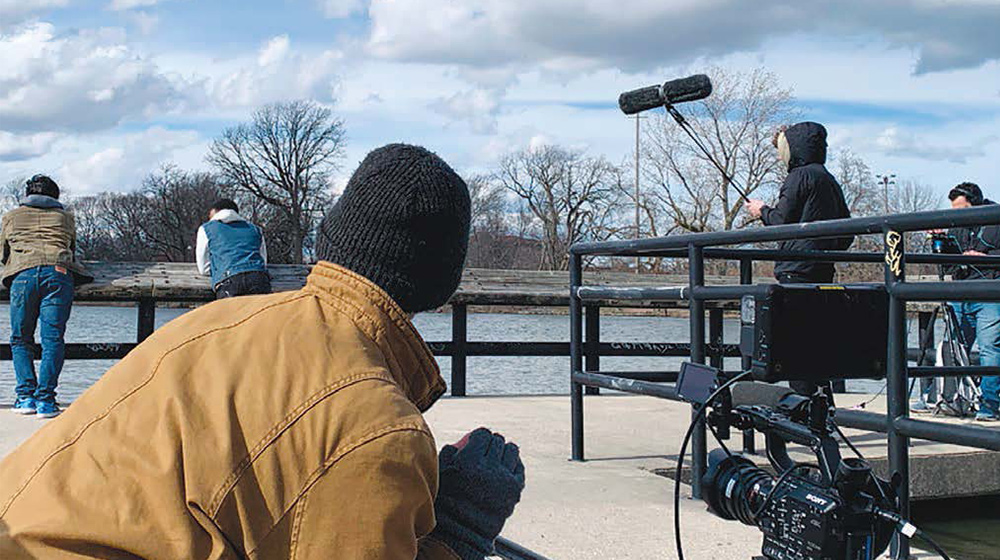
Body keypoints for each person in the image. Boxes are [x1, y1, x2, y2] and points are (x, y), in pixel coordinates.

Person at [0, 144, 525, 559]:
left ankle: (33, 393)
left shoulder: (211, 322)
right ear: (443, 286)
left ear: (330, 239)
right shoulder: (377, 428)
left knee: (29, 341)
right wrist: (457, 533)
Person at [745, 122, 853, 398]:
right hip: (821, 270)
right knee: (816, 344)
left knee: (795, 346)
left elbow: (781, 219)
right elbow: (846, 231)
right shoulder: (828, 179)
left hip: (796, 271)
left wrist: (761, 210)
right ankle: (822, 409)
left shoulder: (798, 177)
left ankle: (804, 412)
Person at [1, 175, 92, 419]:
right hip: (58, 274)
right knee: (53, 340)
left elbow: (3, 253)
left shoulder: (11, 217)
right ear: (55, 195)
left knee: (21, 339)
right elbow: (71, 249)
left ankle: (25, 396)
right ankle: (46, 401)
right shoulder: (66, 218)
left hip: (23, 276)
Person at [924, 182, 1000, 422]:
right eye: (954, 209)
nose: (957, 214)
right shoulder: (956, 227)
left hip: (990, 293)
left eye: (962, 208)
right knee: (953, 347)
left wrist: (987, 258)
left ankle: (989, 404)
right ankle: (946, 397)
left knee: (990, 349)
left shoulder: (996, 219)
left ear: (975, 204)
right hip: (961, 292)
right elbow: (948, 265)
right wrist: (941, 243)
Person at [195, 198, 271, 299]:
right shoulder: (255, 229)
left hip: (229, 280)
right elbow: (263, 260)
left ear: (215, 212)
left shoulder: (206, 229)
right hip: (258, 278)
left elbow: (203, 268)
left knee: (230, 314)